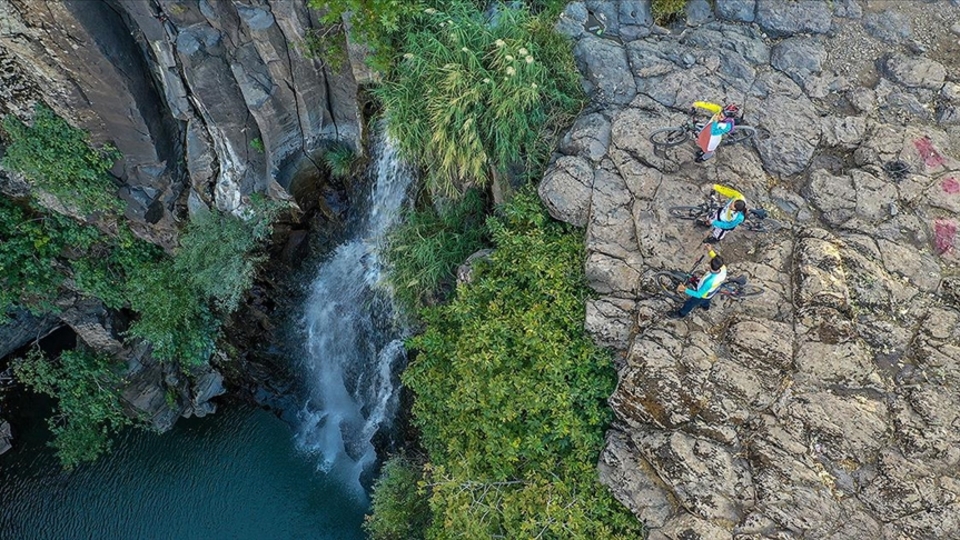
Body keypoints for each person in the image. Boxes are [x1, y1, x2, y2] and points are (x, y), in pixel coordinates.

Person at [668, 245, 727, 318]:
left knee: (690, 303)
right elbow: (716, 259)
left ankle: (681, 314)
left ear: (711, 266)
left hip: (702, 295)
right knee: (706, 300)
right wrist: (710, 250)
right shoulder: (723, 268)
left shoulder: (710, 281)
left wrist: (684, 289)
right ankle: (705, 307)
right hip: (711, 292)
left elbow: (698, 294)